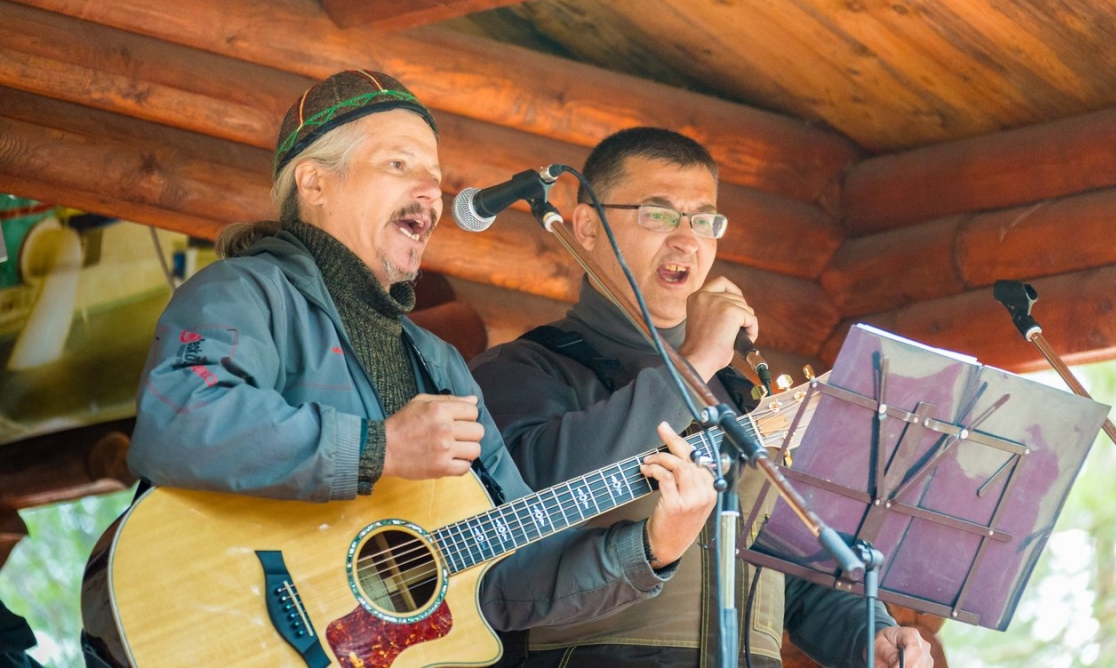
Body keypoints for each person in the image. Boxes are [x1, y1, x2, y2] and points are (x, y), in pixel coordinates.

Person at [119, 72, 716, 659]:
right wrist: (379, 449)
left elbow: (505, 576)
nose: (431, 192)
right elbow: (179, 419)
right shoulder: (244, 291)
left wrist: (651, 548)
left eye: (435, 175)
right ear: (315, 182)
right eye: (399, 164)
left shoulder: (439, 363)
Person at [469, 128, 935, 668]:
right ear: (588, 228)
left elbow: (793, 566)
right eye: (659, 215)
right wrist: (693, 362)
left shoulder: (735, 394)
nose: (687, 241)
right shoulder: (522, 369)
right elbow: (535, 499)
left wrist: (869, 635)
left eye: (704, 221)